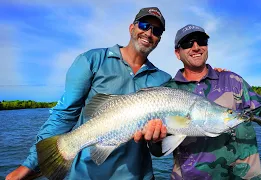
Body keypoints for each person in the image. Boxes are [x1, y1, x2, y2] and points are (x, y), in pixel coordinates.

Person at [6, 7, 171, 180]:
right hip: (85, 175)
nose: (148, 33)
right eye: (144, 25)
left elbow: (158, 149)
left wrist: (157, 140)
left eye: (156, 30)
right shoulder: (92, 60)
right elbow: (64, 115)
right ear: (132, 28)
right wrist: (29, 164)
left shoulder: (163, 80)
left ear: (159, 39)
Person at [147, 24, 261, 179]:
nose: (196, 47)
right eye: (188, 43)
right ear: (177, 53)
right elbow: (158, 151)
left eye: (201, 41)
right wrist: (155, 140)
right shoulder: (166, 92)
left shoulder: (233, 81)